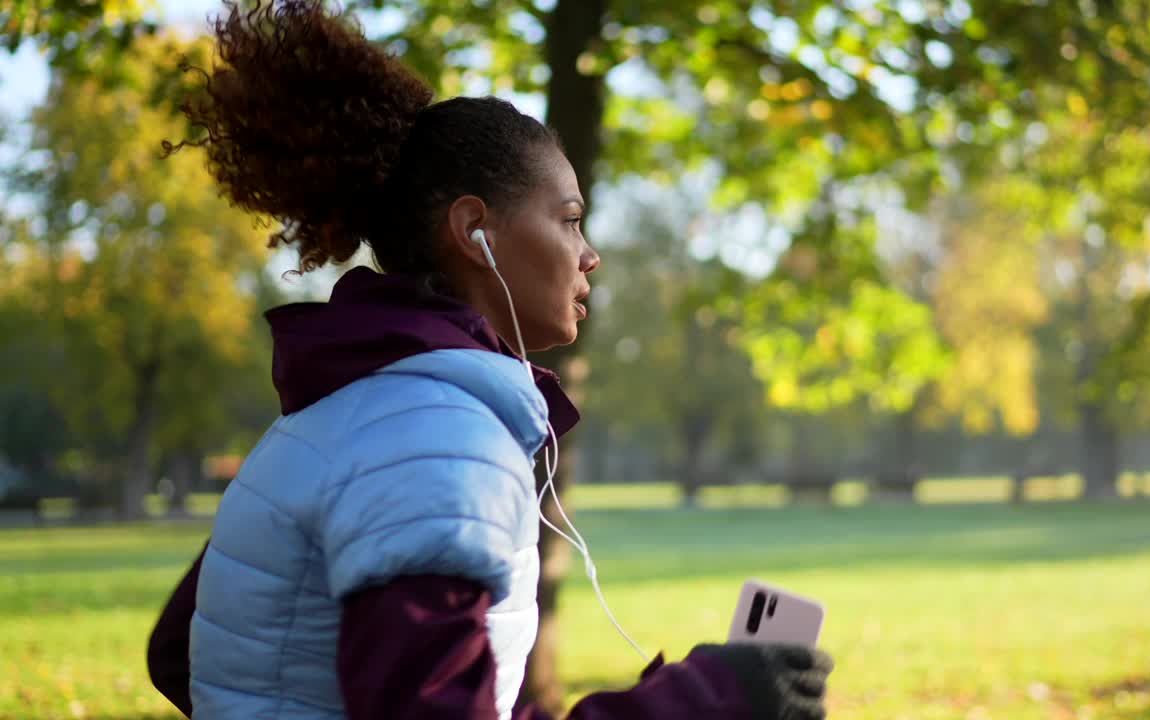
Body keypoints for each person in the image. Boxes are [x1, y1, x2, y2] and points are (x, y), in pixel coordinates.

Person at [146, 1, 833, 719]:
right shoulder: (434, 437)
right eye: (569, 220)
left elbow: (184, 650)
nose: (590, 252)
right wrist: (701, 703)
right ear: (476, 231)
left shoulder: (343, 410)